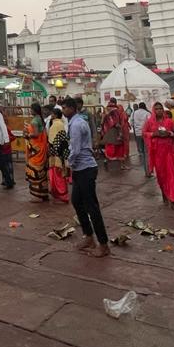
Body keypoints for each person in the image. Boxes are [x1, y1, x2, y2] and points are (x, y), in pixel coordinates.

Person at [62, 98, 108, 257]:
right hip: (80, 168)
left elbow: (75, 149)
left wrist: (68, 164)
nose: (63, 111)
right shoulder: (76, 121)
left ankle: (103, 244)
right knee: (76, 201)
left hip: (85, 168)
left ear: (72, 108)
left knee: (91, 207)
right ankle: (88, 236)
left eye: (65, 108)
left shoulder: (76, 124)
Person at [145, 104, 174, 209]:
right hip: (157, 154)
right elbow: (144, 133)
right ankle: (164, 195)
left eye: (161, 108)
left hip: (169, 153)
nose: (159, 110)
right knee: (161, 176)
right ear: (153, 110)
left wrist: (170, 134)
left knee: (171, 176)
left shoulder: (170, 122)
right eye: (156, 109)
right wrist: (154, 134)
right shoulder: (149, 123)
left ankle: (173, 200)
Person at [24, 102, 50, 202]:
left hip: (36, 150)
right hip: (41, 148)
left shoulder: (35, 121)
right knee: (42, 172)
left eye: (31, 109)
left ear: (34, 110)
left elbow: (35, 134)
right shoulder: (40, 119)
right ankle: (43, 194)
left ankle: (37, 196)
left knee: (34, 172)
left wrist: (27, 134)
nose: (30, 111)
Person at [100, 97, 131, 170]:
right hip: (116, 132)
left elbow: (102, 122)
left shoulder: (105, 110)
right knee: (120, 148)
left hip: (108, 132)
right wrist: (120, 131)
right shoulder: (116, 110)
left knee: (109, 148)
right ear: (115, 102)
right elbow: (116, 122)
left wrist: (103, 130)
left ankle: (106, 161)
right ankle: (122, 165)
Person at [47, 106, 70, 203]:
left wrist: (52, 151)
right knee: (59, 173)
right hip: (61, 152)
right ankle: (60, 193)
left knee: (57, 174)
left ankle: (61, 194)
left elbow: (52, 140)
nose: (51, 115)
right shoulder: (61, 124)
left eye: (52, 114)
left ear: (55, 115)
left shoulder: (55, 125)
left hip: (56, 153)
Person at [131, 103, 151, 175]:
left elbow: (131, 122)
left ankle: (144, 167)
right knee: (147, 152)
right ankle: (148, 170)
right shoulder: (147, 113)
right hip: (145, 134)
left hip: (138, 133)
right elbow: (150, 122)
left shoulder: (134, 113)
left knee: (141, 151)